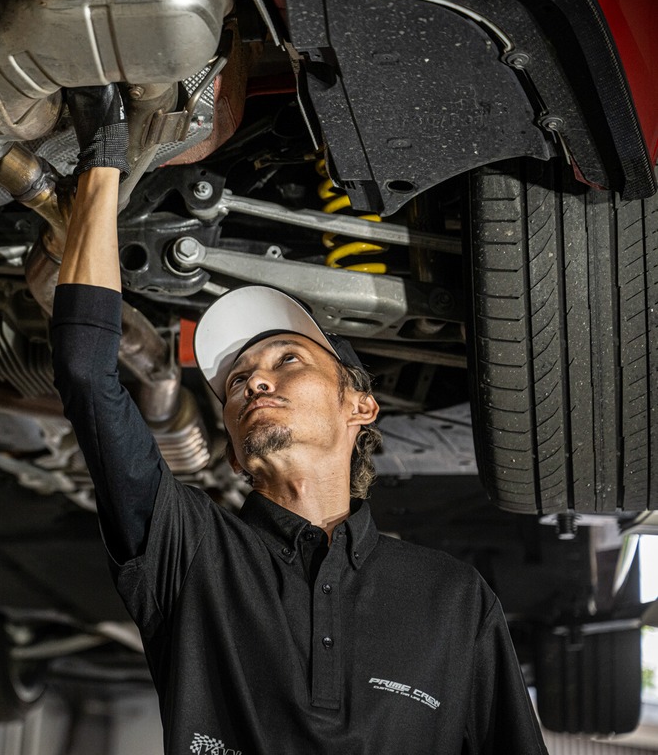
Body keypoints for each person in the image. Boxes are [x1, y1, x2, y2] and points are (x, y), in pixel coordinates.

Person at [49, 85, 548, 755]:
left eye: (287, 357)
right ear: (231, 451)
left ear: (359, 405)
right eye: (234, 383)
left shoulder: (452, 600)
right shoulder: (189, 555)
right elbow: (86, 371)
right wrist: (103, 155)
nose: (255, 378)